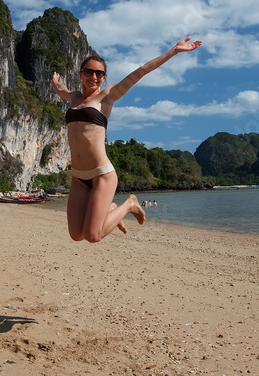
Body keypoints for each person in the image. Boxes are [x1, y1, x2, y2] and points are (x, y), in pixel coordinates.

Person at [51, 37, 202, 243]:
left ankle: (130, 204)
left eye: (99, 73)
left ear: (104, 77)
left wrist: (174, 51)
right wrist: (55, 82)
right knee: (76, 235)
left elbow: (141, 71)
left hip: (102, 174)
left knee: (93, 236)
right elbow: (61, 90)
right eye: (89, 72)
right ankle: (111, 209)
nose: (93, 77)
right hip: (78, 178)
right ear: (80, 74)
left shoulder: (107, 97)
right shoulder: (74, 98)